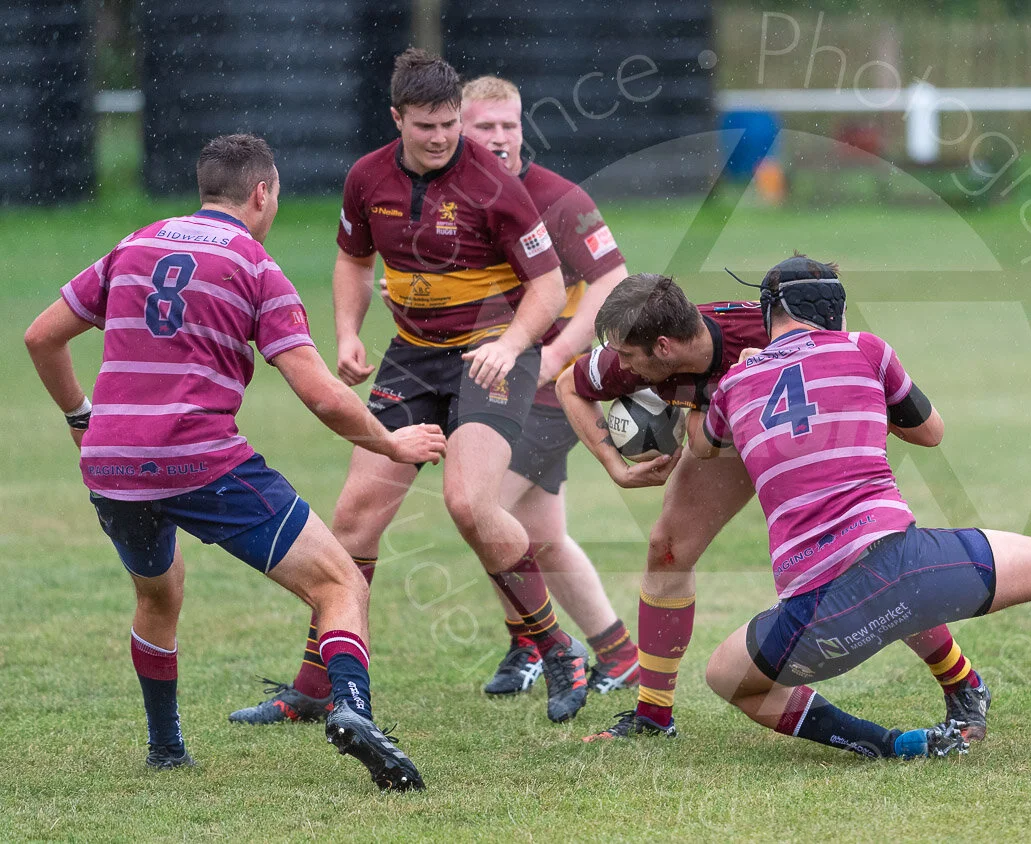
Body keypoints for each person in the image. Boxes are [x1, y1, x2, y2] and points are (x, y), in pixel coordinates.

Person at [692, 257, 1031, 760]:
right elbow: (930, 433)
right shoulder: (864, 349)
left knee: (728, 677)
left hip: (813, 614)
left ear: (770, 314)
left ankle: (888, 744)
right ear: (834, 310)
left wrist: (697, 392)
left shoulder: (736, 382)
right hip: (906, 569)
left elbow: (702, 443)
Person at [23, 134, 444, 790]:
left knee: (158, 594)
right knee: (340, 584)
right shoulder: (255, 266)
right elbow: (319, 393)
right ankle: (355, 711)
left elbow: (41, 336)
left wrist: (82, 418)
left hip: (113, 464)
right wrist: (391, 444)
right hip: (202, 460)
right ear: (261, 193)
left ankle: (166, 749)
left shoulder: (134, 244)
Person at [227, 49, 588, 727]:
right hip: (413, 358)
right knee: (355, 516)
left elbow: (546, 286)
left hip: (491, 359)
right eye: (426, 125)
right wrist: (348, 334)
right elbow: (353, 259)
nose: (443, 136)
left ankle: (558, 649)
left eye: (451, 123)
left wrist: (509, 346)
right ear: (397, 119)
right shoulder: (367, 178)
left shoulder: (494, 185)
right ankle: (315, 687)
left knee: (468, 504)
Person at [458, 75, 639, 699]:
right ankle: (613, 653)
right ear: (458, 130)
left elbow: (614, 278)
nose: (501, 137)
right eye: (486, 127)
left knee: (481, 509)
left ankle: (538, 646)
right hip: (486, 387)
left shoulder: (556, 197)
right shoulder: (449, 198)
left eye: (510, 125)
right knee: (538, 534)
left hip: (548, 391)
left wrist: (558, 352)